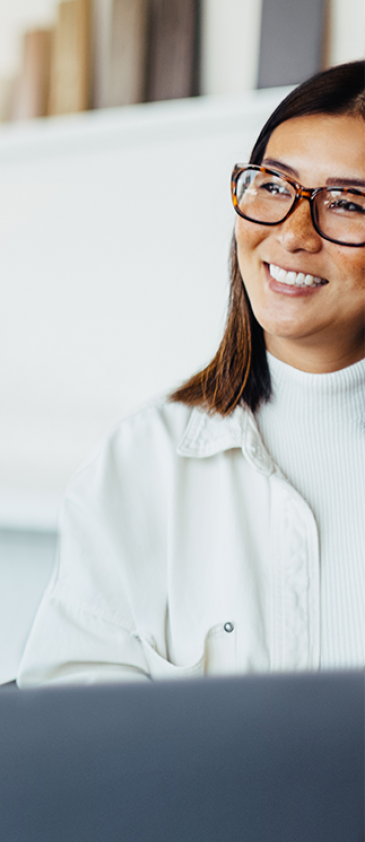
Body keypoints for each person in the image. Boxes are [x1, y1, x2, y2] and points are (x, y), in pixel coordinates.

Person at [19, 60, 365, 686]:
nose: (291, 233)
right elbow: (75, 726)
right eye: (274, 187)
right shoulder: (142, 461)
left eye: (346, 203)